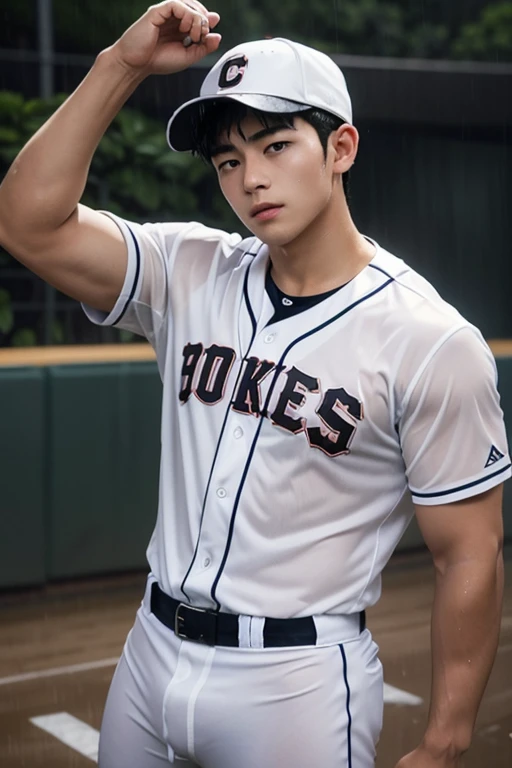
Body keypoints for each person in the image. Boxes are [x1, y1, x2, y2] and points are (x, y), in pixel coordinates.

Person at [0, 3, 509, 767]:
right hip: (150, 652)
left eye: (275, 145)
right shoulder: (190, 270)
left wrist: (443, 740)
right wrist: (122, 64)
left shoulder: (432, 340)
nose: (252, 179)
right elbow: (28, 223)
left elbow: (468, 553)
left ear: (341, 146)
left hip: (295, 683)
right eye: (229, 161)